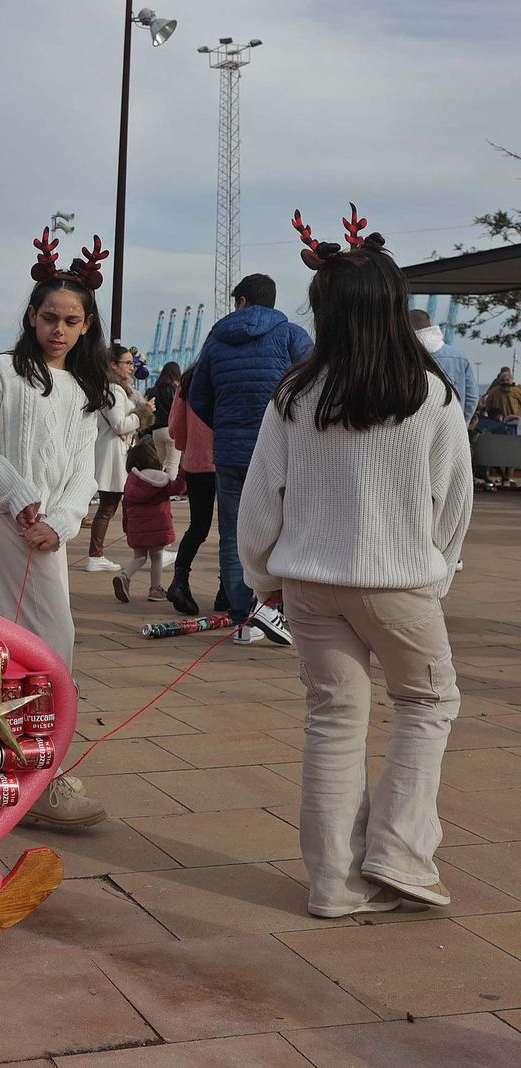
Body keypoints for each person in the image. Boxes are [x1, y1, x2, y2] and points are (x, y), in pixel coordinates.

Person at [239, 214, 471, 917]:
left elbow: (259, 500)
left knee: (334, 718)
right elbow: (454, 503)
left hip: (309, 583)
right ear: (393, 309)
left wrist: (262, 575)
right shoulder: (429, 395)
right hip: (400, 581)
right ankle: (401, 857)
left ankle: (334, 885)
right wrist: (439, 570)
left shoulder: (295, 395)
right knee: (428, 703)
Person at [0, 230, 112, 829]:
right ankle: (32, 774)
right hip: (10, 523)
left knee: (44, 643)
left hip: (49, 532)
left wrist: (63, 521)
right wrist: (21, 500)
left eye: (72, 321)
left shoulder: (79, 390)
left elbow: (81, 472)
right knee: (46, 642)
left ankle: (25, 765)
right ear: (31, 315)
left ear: (87, 325)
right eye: (51, 317)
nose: (60, 330)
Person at [187, 272, 311, 645]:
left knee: (233, 534)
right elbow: (312, 386)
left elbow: (198, 394)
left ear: (240, 300)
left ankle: (244, 617)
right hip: (284, 451)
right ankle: (279, 612)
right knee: (288, 530)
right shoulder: (292, 335)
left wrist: (225, 424)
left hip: (231, 452)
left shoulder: (215, 339)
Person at [85, 344, 152, 572]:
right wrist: (143, 413)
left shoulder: (113, 388)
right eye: (127, 363)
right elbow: (119, 425)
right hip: (113, 455)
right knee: (108, 507)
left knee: (111, 507)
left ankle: (102, 554)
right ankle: (96, 555)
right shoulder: (114, 389)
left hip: (114, 454)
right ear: (113, 365)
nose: (132, 368)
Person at [164, 364, 218, 615]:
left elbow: (175, 426)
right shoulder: (223, 373)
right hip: (228, 460)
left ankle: (179, 581)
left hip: (197, 463)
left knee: (198, 527)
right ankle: (228, 590)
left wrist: (190, 448)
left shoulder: (187, 381)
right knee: (232, 530)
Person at [112, 440, 185, 603]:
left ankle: (124, 576)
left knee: (139, 557)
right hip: (157, 527)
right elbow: (177, 489)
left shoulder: (131, 481)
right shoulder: (161, 479)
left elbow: (125, 506)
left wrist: (127, 528)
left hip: (136, 527)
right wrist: (184, 471)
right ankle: (155, 589)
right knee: (157, 557)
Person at [409, 310, 478, 422]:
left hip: (418, 426)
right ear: (430, 324)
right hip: (453, 423)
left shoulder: (404, 357)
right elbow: (472, 397)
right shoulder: (458, 356)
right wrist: (463, 423)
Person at [144, 360, 181, 472]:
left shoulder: (153, 390)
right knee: (173, 464)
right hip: (170, 430)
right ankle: (171, 489)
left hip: (156, 431)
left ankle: (159, 486)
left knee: (161, 463)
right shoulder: (174, 389)